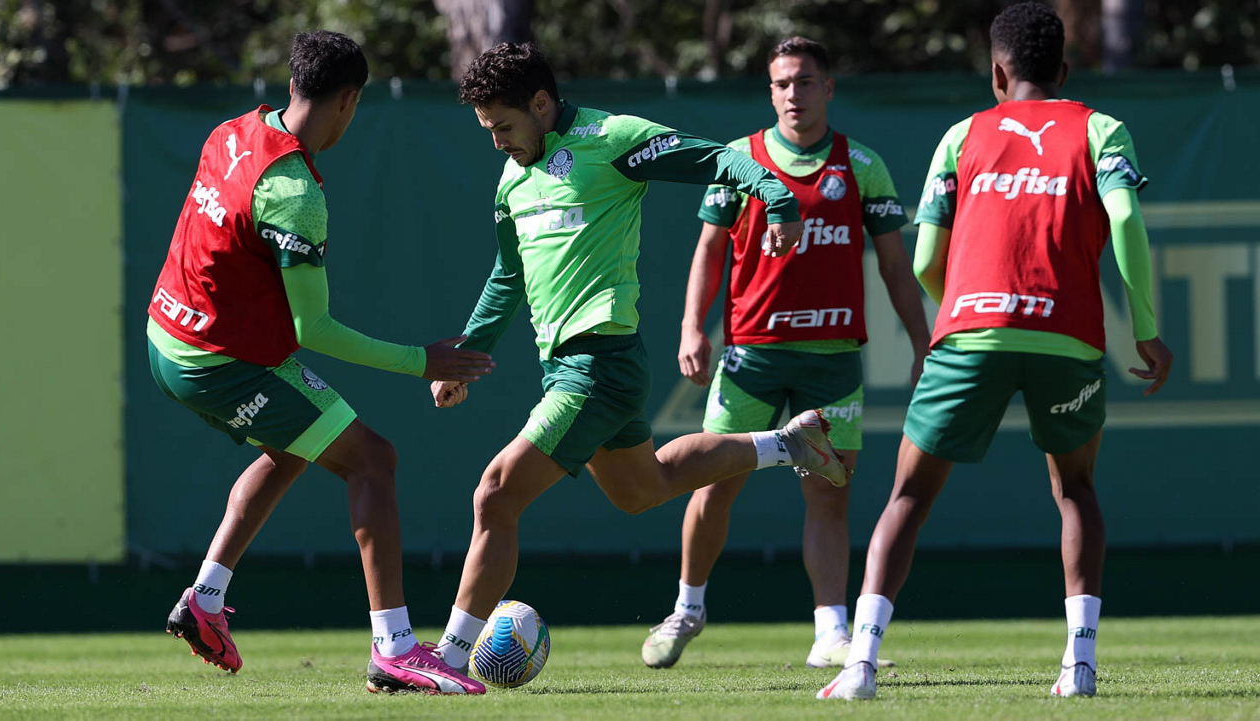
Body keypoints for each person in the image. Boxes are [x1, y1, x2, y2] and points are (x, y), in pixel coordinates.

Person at [428, 41, 850, 673]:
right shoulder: (513, 176)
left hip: (597, 365)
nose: (497, 142)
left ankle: (448, 659)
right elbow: (507, 276)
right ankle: (787, 445)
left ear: (541, 105)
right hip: (574, 368)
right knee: (642, 489)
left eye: (504, 126)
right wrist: (468, 354)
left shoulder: (613, 138)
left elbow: (717, 158)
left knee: (495, 494)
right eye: (488, 130)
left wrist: (780, 201)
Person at [817, 2, 1173, 701]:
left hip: (971, 334)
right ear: (1064, 70)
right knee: (1075, 491)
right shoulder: (1101, 128)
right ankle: (1079, 665)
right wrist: (1145, 328)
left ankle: (860, 665)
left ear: (997, 73)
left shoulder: (963, 136)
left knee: (909, 495)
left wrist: (965, 306)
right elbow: (1126, 216)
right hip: (1066, 337)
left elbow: (926, 259)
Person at [148, 30, 493, 695]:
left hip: (166, 336)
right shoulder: (296, 192)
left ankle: (205, 598)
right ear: (349, 100)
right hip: (217, 360)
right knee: (374, 460)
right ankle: (395, 648)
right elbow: (315, 328)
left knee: (293, 448)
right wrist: (423, 361)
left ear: (290, 85)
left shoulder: (230, 132)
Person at [640, 36, 930, 671]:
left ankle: (831, 633)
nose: (793, 94)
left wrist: (921, 341)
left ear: (828, 88)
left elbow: (894, 265)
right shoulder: (740, 159)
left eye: (804, 81)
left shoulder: (862, 165)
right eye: (781, 84)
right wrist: (692, 328)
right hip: (752, 355)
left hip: (833, 359)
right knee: (714, 485)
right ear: (769, 92)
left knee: (829, 494)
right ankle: (688, 607)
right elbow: (709, 250)